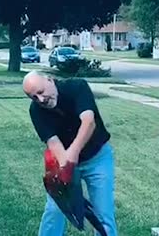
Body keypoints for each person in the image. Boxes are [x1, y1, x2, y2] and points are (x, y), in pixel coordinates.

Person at [22, 71, 117, 236]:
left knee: (103, 213)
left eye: (41, 92)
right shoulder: (36, 111)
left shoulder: (76, 87)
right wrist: (67, 169)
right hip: (64, 163)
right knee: (54, 210)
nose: (41, 99)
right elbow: (54, 143)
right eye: (34, 97)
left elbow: (89, 122)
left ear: (50, 80)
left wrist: (72, 154)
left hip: (98, 159)